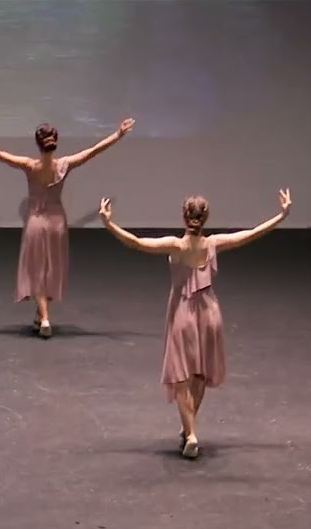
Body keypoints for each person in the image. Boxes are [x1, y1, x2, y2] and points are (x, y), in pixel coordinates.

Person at [98, 189, 292, 458]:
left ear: (184, 216)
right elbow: (250, 234)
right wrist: (281, 215)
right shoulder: (213, 244)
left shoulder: (175, 246)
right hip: (209, 312)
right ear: (205, 217)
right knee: (200, 372)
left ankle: (190, 433)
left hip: (183, 312)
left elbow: (136, 242)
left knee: (181, 374)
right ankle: (188, 428)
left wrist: (109, 223)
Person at [0, 118, 135, 337]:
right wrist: (118, 134)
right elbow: (94, 150)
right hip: (57, 222)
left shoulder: (30, 166)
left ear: (39, 144)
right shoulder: (65, 165)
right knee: (50, 270)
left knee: (37, 271)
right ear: (54, 142)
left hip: (36, 223)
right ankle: (40, 316)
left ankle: (45, 318)